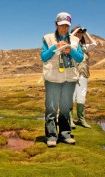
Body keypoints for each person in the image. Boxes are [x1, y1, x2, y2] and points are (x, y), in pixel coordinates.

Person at [40, 12, 84, 147]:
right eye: (61, 25)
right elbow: (44, 57)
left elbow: (80, 58)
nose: (64, 28)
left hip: (69, 79)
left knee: (65, 108)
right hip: (52, 79)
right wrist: (55, 47)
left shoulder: (75, 40)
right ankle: (52, 136)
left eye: (66, 26)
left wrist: (71, 50)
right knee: (51, 108)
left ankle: (65, 134)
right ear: (56, 25)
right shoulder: (48, 38)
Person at [69, 26, 97, 129]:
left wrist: (85, 33)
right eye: (77, 33)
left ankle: (81, 119)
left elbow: (94, 44)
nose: (79, 35)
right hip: (71, 74)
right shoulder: (71, 45)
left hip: (83, 75)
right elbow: (68, 37)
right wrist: (75, 31)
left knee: (81, 97)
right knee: (71, 97)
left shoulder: (84, 47)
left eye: (80, 33)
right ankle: (70, 119)